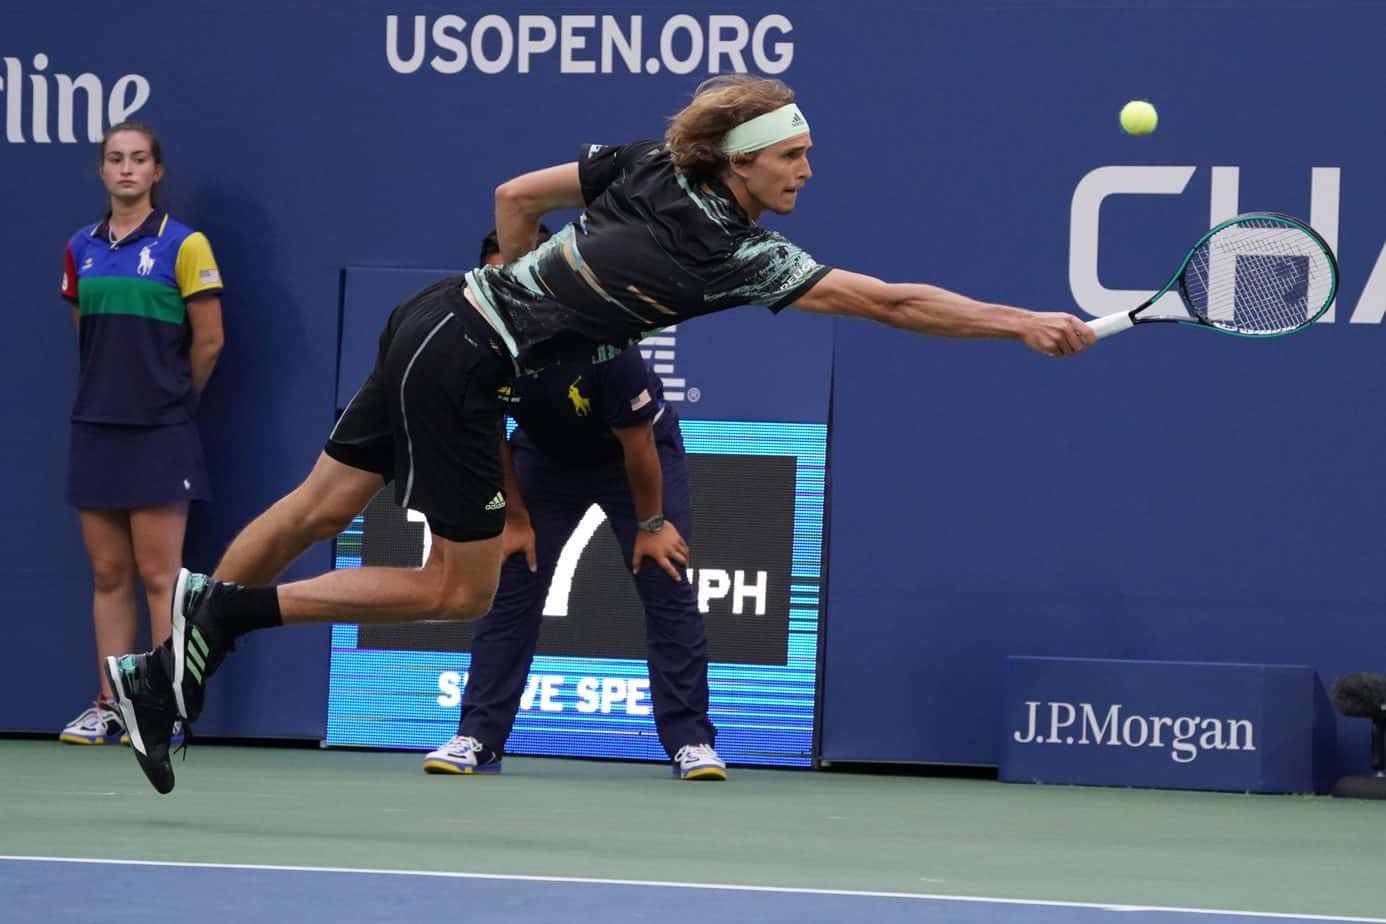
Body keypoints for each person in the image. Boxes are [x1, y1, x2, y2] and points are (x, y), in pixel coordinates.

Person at [103, 75, 1094, 794]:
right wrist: (1019, 322)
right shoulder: (737, 254)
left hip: (435, 313)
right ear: (745, 158)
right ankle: (217, 618)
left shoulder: (651, 166)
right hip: (467, 360)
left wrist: (522, 300)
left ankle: (170, 677)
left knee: (317, 506)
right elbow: (891, 302)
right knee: (461, 586)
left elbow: (513, 199)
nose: (808, 169)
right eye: (794, 154)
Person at [421, 229, 723, 781]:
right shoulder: (480, 343)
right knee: (511, 578)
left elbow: (637, 445)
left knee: (664, 575)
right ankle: (479, 737)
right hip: (545, 458)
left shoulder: (604, 335)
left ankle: (691, 742)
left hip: (632, 455)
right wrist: (514, 519)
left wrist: (652, 525)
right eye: (497, 276)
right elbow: (488, 433)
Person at [59, 121, 223, 747]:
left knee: (162, 577)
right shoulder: (80, 247)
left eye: (138, 159)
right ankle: (109, 704)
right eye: (114, 159)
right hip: (95, 427)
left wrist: (174, 401)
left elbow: (210, 341)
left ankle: (162, 707)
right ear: (101, 172)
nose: (126, 169)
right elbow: (87, 331)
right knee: (107, 573)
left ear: (158, 172)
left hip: (161, 431)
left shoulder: (186, 245)